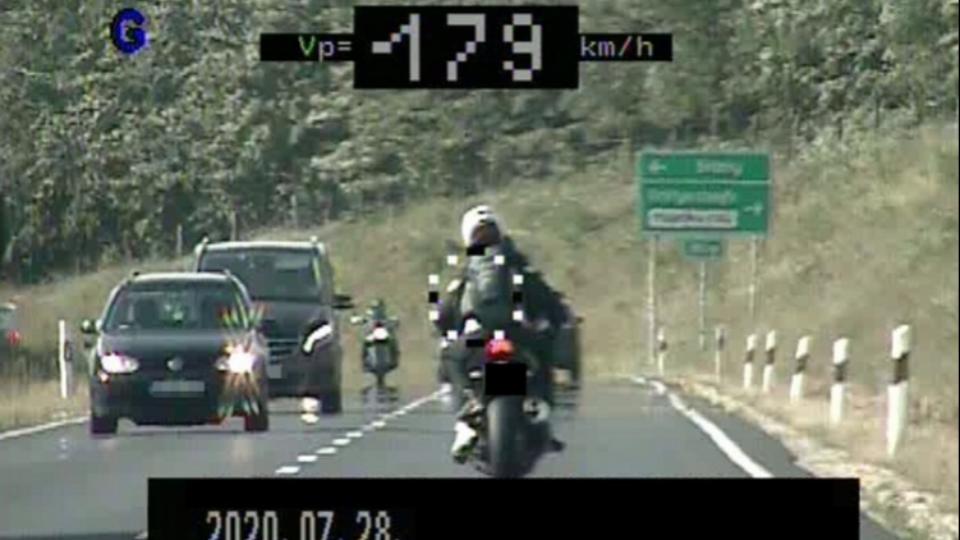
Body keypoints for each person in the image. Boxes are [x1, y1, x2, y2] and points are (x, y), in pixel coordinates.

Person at [434, 204, 567, 463]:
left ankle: (466, 414)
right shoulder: (517, 266)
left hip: (477, 339)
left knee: (450, 357)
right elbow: (550, 303)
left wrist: (449, 330)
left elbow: (443, 315)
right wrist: (553, 322)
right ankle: (541, 410)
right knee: (544, 356)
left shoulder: (466, 273)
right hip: (517, 335)